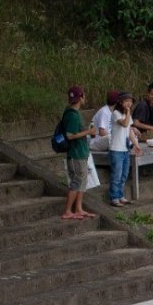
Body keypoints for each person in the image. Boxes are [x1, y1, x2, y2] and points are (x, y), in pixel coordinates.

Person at [54, 87, 94, 220]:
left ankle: (78, 208)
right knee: (77, 181)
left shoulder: (76, 113)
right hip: (75, 154)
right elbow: (70, 136)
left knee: (83, 181)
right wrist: (88, 132)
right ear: (81, 97)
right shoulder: (71, 114)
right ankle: (67, 211)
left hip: (81, 152)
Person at [95, 90, 136, 206]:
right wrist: (128, 112)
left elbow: (130, 131)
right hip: (116, 149)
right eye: (126, 101)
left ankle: (120, 195)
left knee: (124, 174)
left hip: (125, 149)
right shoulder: (116, 113)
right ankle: (114, 198)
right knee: (116, 175)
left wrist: (136, 145)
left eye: (130, 102)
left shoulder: (127, 115)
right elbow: (124, 123)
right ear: (121, 102)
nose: (129, 104)